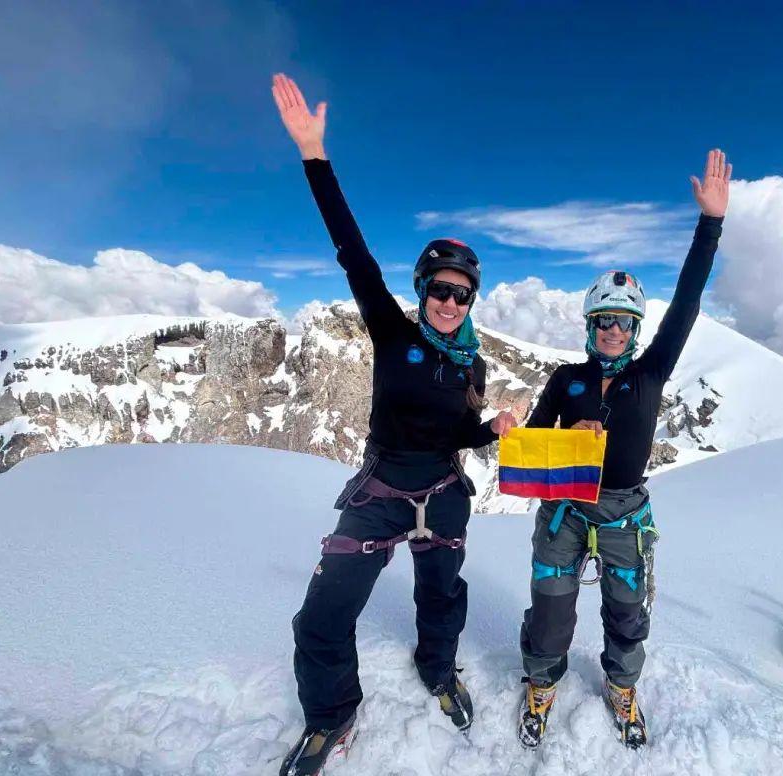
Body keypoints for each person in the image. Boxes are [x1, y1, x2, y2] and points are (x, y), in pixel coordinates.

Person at [271, 73, 515, 776]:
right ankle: (331, 716)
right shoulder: (392, 331)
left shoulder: (471, 364)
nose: (449, 302)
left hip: (442, 490)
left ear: (472, 301)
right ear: (422, 290)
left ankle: (437, 669)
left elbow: (456, 433)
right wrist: (315, 156)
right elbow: (353, 255)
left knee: (442, 596)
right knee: (322, 616)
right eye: (439, 289)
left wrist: (490, 429)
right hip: (380, 491)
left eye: (461, 294)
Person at [516, 150, 731, 750]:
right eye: (605, 321)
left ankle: (622, 684)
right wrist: (570, 439)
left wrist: (710, 225)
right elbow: (532, 448)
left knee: (627, 613)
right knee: (550, 608)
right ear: (591, 326)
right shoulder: (566, 379)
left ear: (636, 331)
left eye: (624, 323)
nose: (614, 331)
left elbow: (686, 304)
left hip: (625, 514)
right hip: (566, 510)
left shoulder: (650, 373)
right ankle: (541, 681)